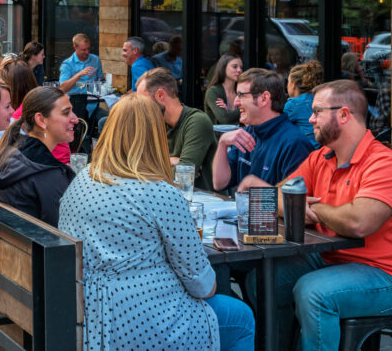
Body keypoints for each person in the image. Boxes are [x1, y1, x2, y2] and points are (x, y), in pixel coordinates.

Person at [58, 92, 255, 350]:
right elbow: (202, 285)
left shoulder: (81, 181)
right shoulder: (159, 193)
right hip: (140, 318)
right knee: (240, 317)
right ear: (154, 136)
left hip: (88, 311)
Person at [246, 80, 392, 348]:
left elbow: (358, 222)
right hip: (330, 259)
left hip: (389, 276)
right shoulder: (321, 157)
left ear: (343, 114)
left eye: (317, 111)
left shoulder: (385, 164)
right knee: (262, 280)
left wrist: (313, 209)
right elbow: (272, 199)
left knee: (313, 292)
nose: (310, 119)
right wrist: (301, 206)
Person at [0, 86, 77, 226]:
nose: (75, 119)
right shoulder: (49, 175)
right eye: (66, 113)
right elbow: (63, 232)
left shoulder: (7, 153)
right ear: (41, 120)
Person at [211, 68, 314, 193]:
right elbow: (219, 183)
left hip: (268, 213)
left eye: (241, 95)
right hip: (243, 211)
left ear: (264, 98)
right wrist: (222, 143)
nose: (236, 102)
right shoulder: (247, 133)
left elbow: (294, 202)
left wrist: (252, 184)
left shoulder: (294, 143)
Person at [136, 67, 217, 191]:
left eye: (143, 101)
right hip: (167, 197)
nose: (140, 108)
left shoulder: (197, 121)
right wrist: (169, 161)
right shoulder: (157, 122)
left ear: (160, 95)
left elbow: (183, 177)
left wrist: (155, 163)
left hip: (206, 201)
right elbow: (136, 164)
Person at [283, 60, 324, 145]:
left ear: (293, 85)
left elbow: (277, 127)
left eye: (288, 82)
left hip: (308, 151)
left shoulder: (294, 104)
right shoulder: (320, 98)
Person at [205, 53, 243, 127]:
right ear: (223, 67)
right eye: (235, 67)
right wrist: (244, 108)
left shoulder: (241, 91)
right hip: (217, 137)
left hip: (239, 135)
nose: (239, 70)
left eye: (241, 67)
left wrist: (229, 113)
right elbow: (225, 119)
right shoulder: (213, 92)